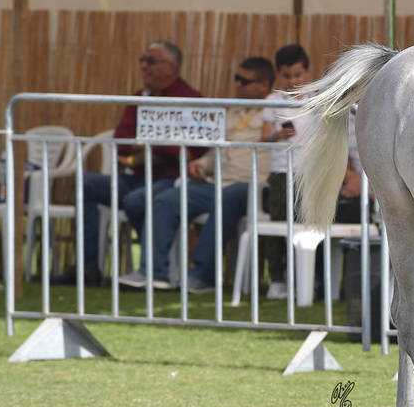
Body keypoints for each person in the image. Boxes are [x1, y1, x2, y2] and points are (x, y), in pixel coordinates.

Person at [52, 41, 203, 286]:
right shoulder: (139, 98)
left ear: (172, 67)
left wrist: (152, 147)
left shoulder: (190, 99)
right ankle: (87, 268)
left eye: (151, 61)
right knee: (85, 183)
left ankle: (154, 270)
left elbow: (192, 149)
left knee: (138, 200)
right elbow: (121, 141)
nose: (144, 66)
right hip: (136, 176)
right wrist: (154, 148)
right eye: (142, 60)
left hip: (170, 179)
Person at [117, 57, 274, 290]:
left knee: (229, 196)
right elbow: (216, 152)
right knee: (165, 200)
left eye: (245, 81)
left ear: (264, 85)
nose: (238, 85)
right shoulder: (231, 111)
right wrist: (200, 164)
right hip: (216, 182)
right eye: (236, 79)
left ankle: (203, 275)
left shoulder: (278, 112)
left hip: (253, 186)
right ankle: (153, 273)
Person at [260, 44, 316, 299]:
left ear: (307, 71)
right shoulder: (273, 100)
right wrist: (277, 134)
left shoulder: (318, 97)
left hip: (310, 172)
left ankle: (308, 279)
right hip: (282, 172)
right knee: (279, 226)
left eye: (298, 75)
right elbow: (264, 135)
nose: (293, 81)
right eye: (287, 76)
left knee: (309, 226)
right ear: (279, 75)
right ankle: (278, 278)